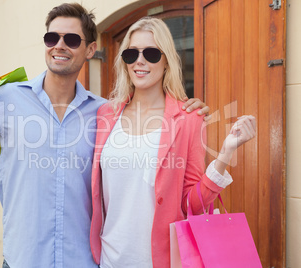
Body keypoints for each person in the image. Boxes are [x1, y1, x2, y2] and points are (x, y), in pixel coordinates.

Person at [0, 3, 210, 268]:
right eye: (52, 37)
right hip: (24, 259)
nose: (59, 45)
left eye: (72, 40)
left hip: (84, 261)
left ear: (90, 49)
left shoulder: (104, 114)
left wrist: (185, 111)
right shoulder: (8, 98)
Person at [90, 17, 256, 268]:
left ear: (166, 60)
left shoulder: (188, 120)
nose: (140, 61)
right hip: (109, 260)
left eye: (152, 53)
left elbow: (193, 204)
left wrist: (225, 153)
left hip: (160, 261)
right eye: (132, 53)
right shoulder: (105, 115)